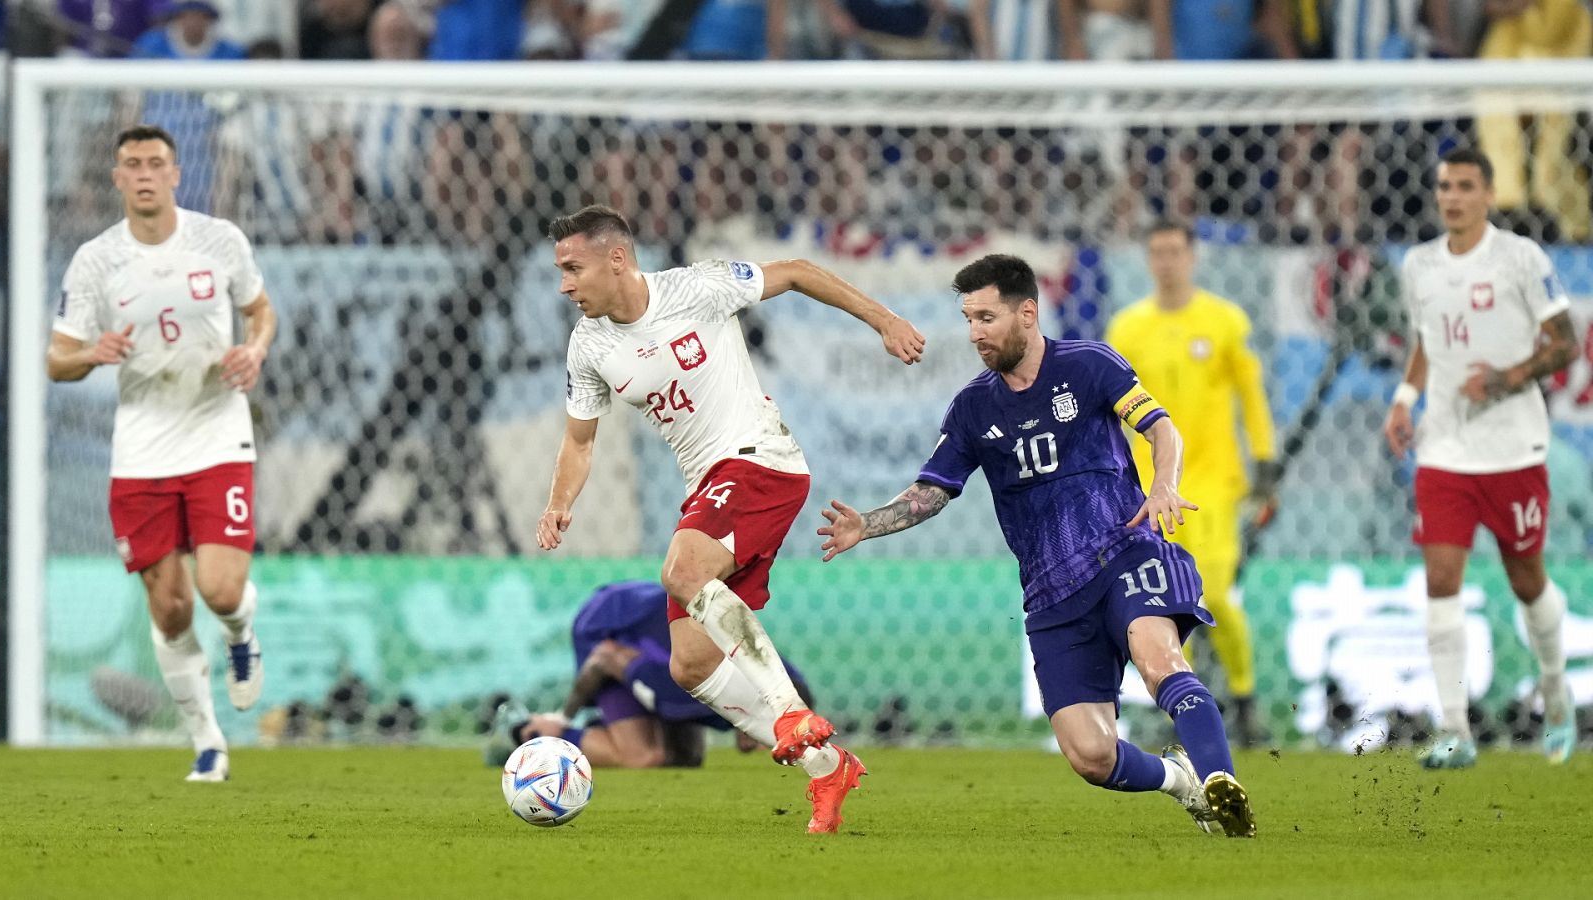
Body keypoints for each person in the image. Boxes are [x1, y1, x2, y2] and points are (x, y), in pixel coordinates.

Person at [819, 253, 1256, 838]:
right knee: (1091, 756)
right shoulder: (975, 407)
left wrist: (1164, 485)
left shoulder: (1090, 366)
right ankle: (1183, 781)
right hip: (1052, 593)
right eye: (969, 318)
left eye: (986, 317)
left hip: (1124, 551)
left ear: (1028, 312)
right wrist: (865, 525)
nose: (974, 332)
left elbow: (1159, 426)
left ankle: (1223, 782)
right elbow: (933, 491)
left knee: (1159, 658)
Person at [537, 204, 925, 833]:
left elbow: (797, 271)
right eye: (559, 271)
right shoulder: (589, 345)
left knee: (682, 571)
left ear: (616, 258)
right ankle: (828, 766)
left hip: (760, 460)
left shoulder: (696, 288)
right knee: (687, 664)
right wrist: (559, 505)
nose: (564, 284)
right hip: (708, 485)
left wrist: (884, 320)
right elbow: (580, 441)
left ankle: (789, 712)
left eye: (572, 267)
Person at [47, 126, 276, 782]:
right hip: (142, 452)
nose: (144, 174)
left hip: (216, 434)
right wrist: (91, 352)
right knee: (170, 606)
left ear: (176, 174)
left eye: (155, 163)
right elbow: (55, 358)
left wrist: (254, 350)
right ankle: (207, 742)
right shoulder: (95, 261)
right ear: (117, 178)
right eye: (131, 165)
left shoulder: (220, 240)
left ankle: (240, 635)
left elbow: (261, 312)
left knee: (220, 588)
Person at [1383, 147, 1579, 769]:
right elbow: (1426, 342)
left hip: (1514, 449)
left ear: (1488, 194)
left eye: (1465, 186)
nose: (1452, 197)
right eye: (1444, 186)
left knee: (1527, 579)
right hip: (1443, 450)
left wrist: (1507, 377)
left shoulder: (1521, 258)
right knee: (1441, 580)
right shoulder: (1419, 266)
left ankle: (1555, 691)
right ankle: (1454, 728)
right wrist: (1404, 399)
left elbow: (1566, 341)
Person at [1105, 220, 1278, 747]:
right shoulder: (1128, 329)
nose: (1167, 261)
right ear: (1147, 259)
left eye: (1175, 251)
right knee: (1164, 601)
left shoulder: (1224, 321)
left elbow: (1250, 393)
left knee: (1218, 594)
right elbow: (1109, 410)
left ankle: (1245, 699)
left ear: (1192, 256)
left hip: (1213, 482)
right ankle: (1188, 703)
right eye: (1157, 252)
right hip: (1150, 487)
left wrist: (1265, 459)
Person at [485, 581, 817, 769]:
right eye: (782, 738)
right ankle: (527, 734)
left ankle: (596, 730)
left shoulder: (763, 673)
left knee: (686, 758)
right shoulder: (686, 672)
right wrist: (564, 716)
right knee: (644, 757)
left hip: (647, 631)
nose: (783, 752)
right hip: (605, 632)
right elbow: (604, 659)